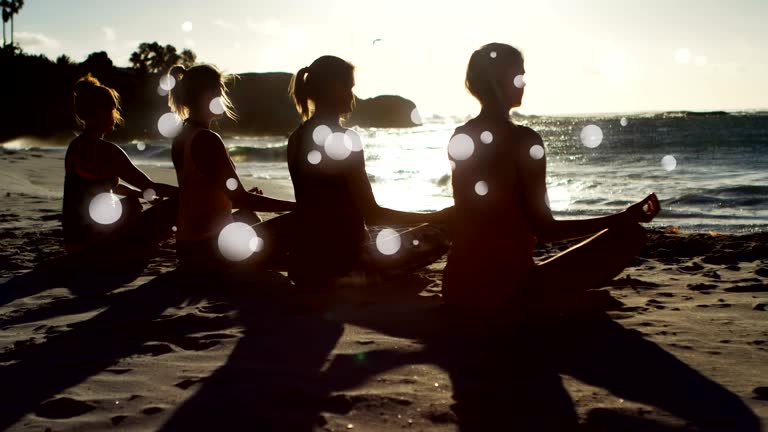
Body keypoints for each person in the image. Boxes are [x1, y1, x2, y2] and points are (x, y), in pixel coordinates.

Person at [443, 43, 660, 316]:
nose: (523, 83)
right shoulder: (524, 140)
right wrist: (623, 217)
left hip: (457, 289)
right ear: (499, 81)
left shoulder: (460, 137)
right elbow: (546, 230)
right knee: (629, 235)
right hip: (505, 291)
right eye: (518, 76)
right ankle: (550, 304)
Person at [287, 55, 452, 287]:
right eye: (349, 87)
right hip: (343, 261)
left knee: (382, 235)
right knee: (439, 233)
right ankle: (357, 276)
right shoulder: (345, 138)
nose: (353, 96)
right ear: (335, 88)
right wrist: (436, 216)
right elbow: (373, 214)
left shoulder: (296, 138)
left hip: (304, 263)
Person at [167, 64, 296, 271]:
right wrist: (296, 206)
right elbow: (240, 198)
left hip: (188, 247)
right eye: (219, 89)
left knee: (248, 216)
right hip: (208, 251)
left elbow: (199, 192)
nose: (222, 94)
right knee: (300, 219)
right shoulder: (206, 139)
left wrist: (231, 197)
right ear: (209, 93)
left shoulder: (183, 135)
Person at [62, 74, 177, 258]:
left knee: (131, 203)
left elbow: (107, 187)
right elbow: (150, 186)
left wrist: (142, 195)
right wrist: (188, 192)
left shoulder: (74, 146)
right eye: (111, 110)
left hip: (74, 241)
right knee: (177, 204)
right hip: (96, 243)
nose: (115, 116)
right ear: (97, 113)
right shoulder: (107, 150)